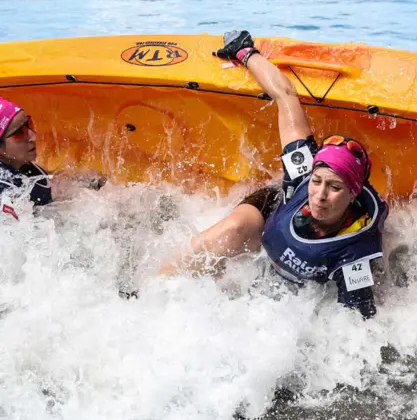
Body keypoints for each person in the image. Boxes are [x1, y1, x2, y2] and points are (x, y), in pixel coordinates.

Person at [161, 30, 389, 318]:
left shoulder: (353, 254)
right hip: (272, 215)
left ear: (353, 193)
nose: (318, 196)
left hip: (298, 280)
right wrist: (245, 53)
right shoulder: (302, 172)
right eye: (317, 182)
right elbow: (285, 96)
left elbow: (358, 326)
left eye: (334, 188)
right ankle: (154, 288)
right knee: (231, 232)